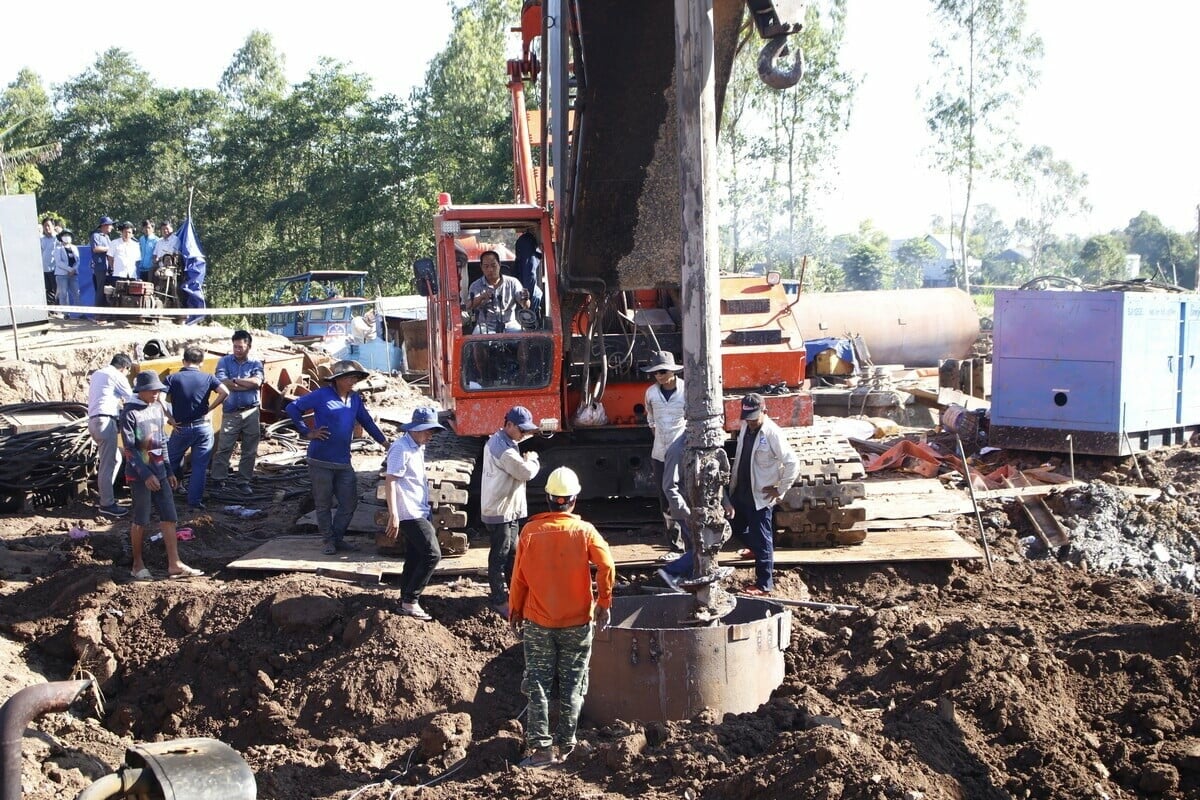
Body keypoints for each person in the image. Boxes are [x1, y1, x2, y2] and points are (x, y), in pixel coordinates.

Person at [509, 466, 615, 768]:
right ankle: (566, 747)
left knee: (538, 684)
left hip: (539, 623)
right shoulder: (585, 532)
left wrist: (515, 610)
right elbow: (607, 565)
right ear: (573, 500)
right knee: (573, 684)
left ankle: (541, 750)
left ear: (548, 499)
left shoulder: (530, 532)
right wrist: (603, 602)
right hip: (577, 623)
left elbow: (519, 578)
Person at [287, 359, 389, 555]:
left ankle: (337, 536)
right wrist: (307, 432)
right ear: (337, 379)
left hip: (343, 461)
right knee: (323, 502)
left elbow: (367, 421)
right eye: (349, 377)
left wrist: (385, 443)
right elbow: (293, 408)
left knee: (349, 502)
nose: (353, 381)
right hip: (320, 460)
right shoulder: (322, 395)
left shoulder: (354, 399)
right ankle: (328, 540)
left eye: (355, 378)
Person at [120, 370, 203, 581]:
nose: (156, 393)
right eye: (152, 390)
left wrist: (168, 470)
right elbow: (130, 450)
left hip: (159, 471)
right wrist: (146, 475)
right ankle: (137, 564)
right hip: (140, 476)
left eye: (158, 390)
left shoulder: (157, 409)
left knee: (169, 517)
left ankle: (174, 564)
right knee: (141, 518)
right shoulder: (130, 413)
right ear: (141, 391)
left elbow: (162, 441)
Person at [727, 393, 801, 596]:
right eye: (747, 418)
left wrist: (780, 489)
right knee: (735, 526)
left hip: (760, 495)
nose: (750, 423)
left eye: (754, 418)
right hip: (742, 490)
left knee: (763, 537)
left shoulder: (772, 433)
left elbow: (793, 462)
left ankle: (764, 585)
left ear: (764, 412)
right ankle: (756, 549)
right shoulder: (745, 427)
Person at [384, 407, 446, 621]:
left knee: (415, 555)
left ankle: (404, 599)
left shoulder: (416, 447)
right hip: (409, 512)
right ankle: (411, 600)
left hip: (419, 508)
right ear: (416, 429)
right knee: (432, 554)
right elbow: (390, 480)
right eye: (428, 431)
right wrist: (394, 514)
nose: (430, 436)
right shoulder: (401, 448)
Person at [655, 430, 735, 590]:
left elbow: (714, 479)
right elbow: (669, 486)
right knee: (703, 545)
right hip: (685, 510)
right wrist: (687, 514)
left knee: (696, 546)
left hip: (699, 509)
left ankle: (687, 579)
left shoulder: (705, 447)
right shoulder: (677, 450)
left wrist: (726, 501)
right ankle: (671, 572)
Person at [481, 406, 541, 616]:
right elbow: (524, 472)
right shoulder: (504, 449)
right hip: (501, 511)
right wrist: (532, 459)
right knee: (500, 555)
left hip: (507, 509)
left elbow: (515, 441)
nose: (524, 434)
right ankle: (499, 599)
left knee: (512, 554)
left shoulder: (501, 439)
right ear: (509, 425)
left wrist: (534, 432)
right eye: (521, 430)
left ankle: (514, 594)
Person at [165, 346, 230, 513]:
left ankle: (162, 498)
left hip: (181, 428)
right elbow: (225, 392)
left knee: (169, 462)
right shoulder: (208, 378)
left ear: (183, 361)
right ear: (201, 362)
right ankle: (194, 502)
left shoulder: (173, 378)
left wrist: (170, 418)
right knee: (199, 467)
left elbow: (157, 397)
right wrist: (211, 409)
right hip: (203, 427)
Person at [642, 351, 687, 554]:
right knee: (665, 498)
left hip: (682, 453)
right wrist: (656, 433)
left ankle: (690, 542)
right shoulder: (651, 392)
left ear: (672, 371)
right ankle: (675, 545)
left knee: (684, 495)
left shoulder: (687, 390)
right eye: (655, 373)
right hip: (660, 452)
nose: (658, 376)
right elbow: (650, 417)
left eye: (662, 371)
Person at [211, 330, 264, 494]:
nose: (237, 350)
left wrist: (234, 381)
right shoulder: (224, 362)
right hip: (231, 412)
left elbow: (256, 382)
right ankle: (218, 480)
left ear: (248, 346)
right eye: (235, 347)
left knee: (249, 449)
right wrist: (243, 384)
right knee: (224, 447)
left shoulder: (256, 363)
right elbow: (222, 382)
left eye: (240, 347)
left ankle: (243, 481)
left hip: (251, 412)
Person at [88, 354, 135, 517]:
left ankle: (106, 496)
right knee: (107, 464)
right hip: (105, 421)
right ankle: (107, 504)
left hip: (94, 422)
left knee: (115, 458)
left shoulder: (97, 374)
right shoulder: (115, 375)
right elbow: (131, 397)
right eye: (127, 372)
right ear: (124, 367)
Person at [466, 250, 530, 333]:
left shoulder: (513, 282)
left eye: (493, 265)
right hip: (485, 325)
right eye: (486, 266)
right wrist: (481, 297)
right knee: (478, 338)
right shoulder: (475, 285)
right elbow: (468, 306)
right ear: (481, 267)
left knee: (523, 336)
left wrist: (525, 299)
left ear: (499, 265)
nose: (490, 269)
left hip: (509, 324)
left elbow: (525, 305)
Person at [51, 229, 82, 311]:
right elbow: (58, 262)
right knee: (63, 294)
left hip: (73, 274)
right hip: (62, 275)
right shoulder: (58, 248)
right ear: (61, 237)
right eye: (64, 235)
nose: (67, 237)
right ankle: (65, 314)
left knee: (77, 293)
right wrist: (69, 269)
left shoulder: (74, 248)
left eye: (68, 235)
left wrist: (74, 269)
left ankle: (81, 313)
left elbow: (78, 260)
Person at [89, 216, 114, 308]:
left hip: (108, 268)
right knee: (100, 290)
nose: (112, 227)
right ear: (104, 225)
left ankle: (106, 312)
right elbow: (96, 249)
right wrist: (109, 249)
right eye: (110, 225)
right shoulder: (95, 236)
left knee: (107, 290)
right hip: (100, 267)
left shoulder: (107, 237)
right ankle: (98, 314)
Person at [39, 217, 58, 307]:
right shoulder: (41, 240)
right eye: (44, 226)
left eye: (48, 225)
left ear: (53, 226)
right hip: (45, 269)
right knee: (48, 290)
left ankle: (60, 308)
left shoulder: (58, 238)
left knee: (57, 289)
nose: (47, 228)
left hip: (56, 269)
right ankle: (51, 310)